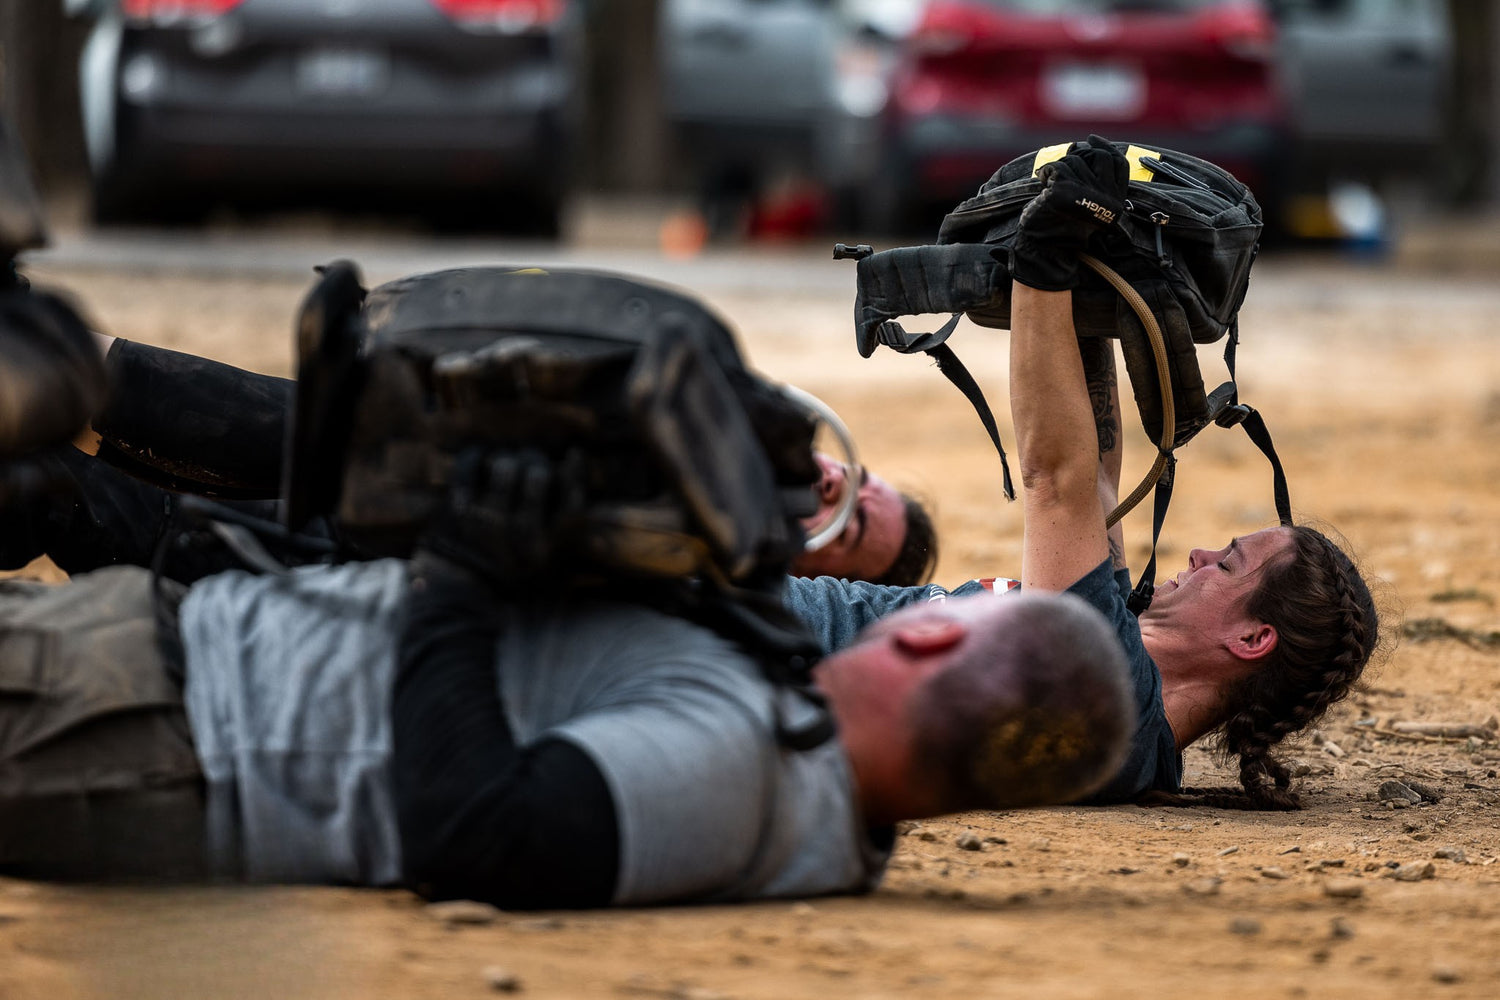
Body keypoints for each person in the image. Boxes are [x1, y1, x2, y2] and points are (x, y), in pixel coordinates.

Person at [0, 295, 1136, 901]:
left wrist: (464, 569)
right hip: (175, 667)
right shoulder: (782, 728)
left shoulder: (744, 767)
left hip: (147, 726)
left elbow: (477, 832)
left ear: (929, 629)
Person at [786, 138, 1382, 810]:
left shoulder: (1106, 687)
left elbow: (1056, 479)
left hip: (753, 635)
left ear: (1252, 639)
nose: (1201, 552)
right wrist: (1085, 283)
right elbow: (1095, 476)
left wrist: (1042, 262)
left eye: (1229, 563)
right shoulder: (1125, 686)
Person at [0, 332, 937, 588]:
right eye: (864, 486)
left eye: (849, 529)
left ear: (820, 580)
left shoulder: (721, 592)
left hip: (340, 567)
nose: (835, 488)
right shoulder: (722, 437)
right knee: (299, 424)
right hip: (384, 458)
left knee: (63, 495)